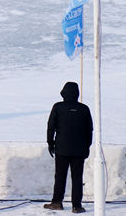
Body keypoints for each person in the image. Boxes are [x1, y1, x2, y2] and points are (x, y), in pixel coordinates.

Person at [43, 82, 93, 213]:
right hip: (79, 149)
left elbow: (50, 127)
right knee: (77, 178)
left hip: (61, 148)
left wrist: (50, 143)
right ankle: (77, 206)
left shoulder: (58, 107)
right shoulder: (84, 109)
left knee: (60, 176)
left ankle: (57, 202)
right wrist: (87, 146)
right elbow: (89, 130)